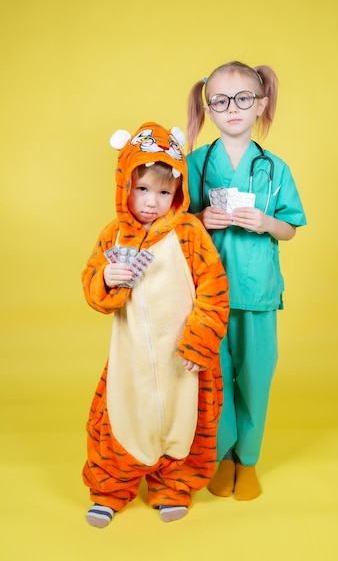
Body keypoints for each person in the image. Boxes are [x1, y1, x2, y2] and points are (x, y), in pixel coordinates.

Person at [81, 121, 229, 527]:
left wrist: (200, 341)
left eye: (164, 192)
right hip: (130, 355)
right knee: (120, 417)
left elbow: (215, 289)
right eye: (142, 188)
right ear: (124, 185)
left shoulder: (190, 233)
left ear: (178, 194)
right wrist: (105, 281)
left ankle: (173, 485)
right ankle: (110, 488)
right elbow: (92, 289)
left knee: (188, 423)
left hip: (183, 355)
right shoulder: (114, 236)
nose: (151, 202)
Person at [186, 61, 306, 501]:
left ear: (261, 105)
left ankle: (248, 462)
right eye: (220, 101)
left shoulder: (275, 168)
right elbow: (174, 224)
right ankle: (221, 458)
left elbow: (290, 227)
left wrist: (265, 222)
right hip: (206, 294)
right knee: (212, 379)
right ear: (209, 109)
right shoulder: (196, 164)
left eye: (243, 99)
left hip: (256, 292)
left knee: (256, 377)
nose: (232, 108)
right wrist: (200, 217)